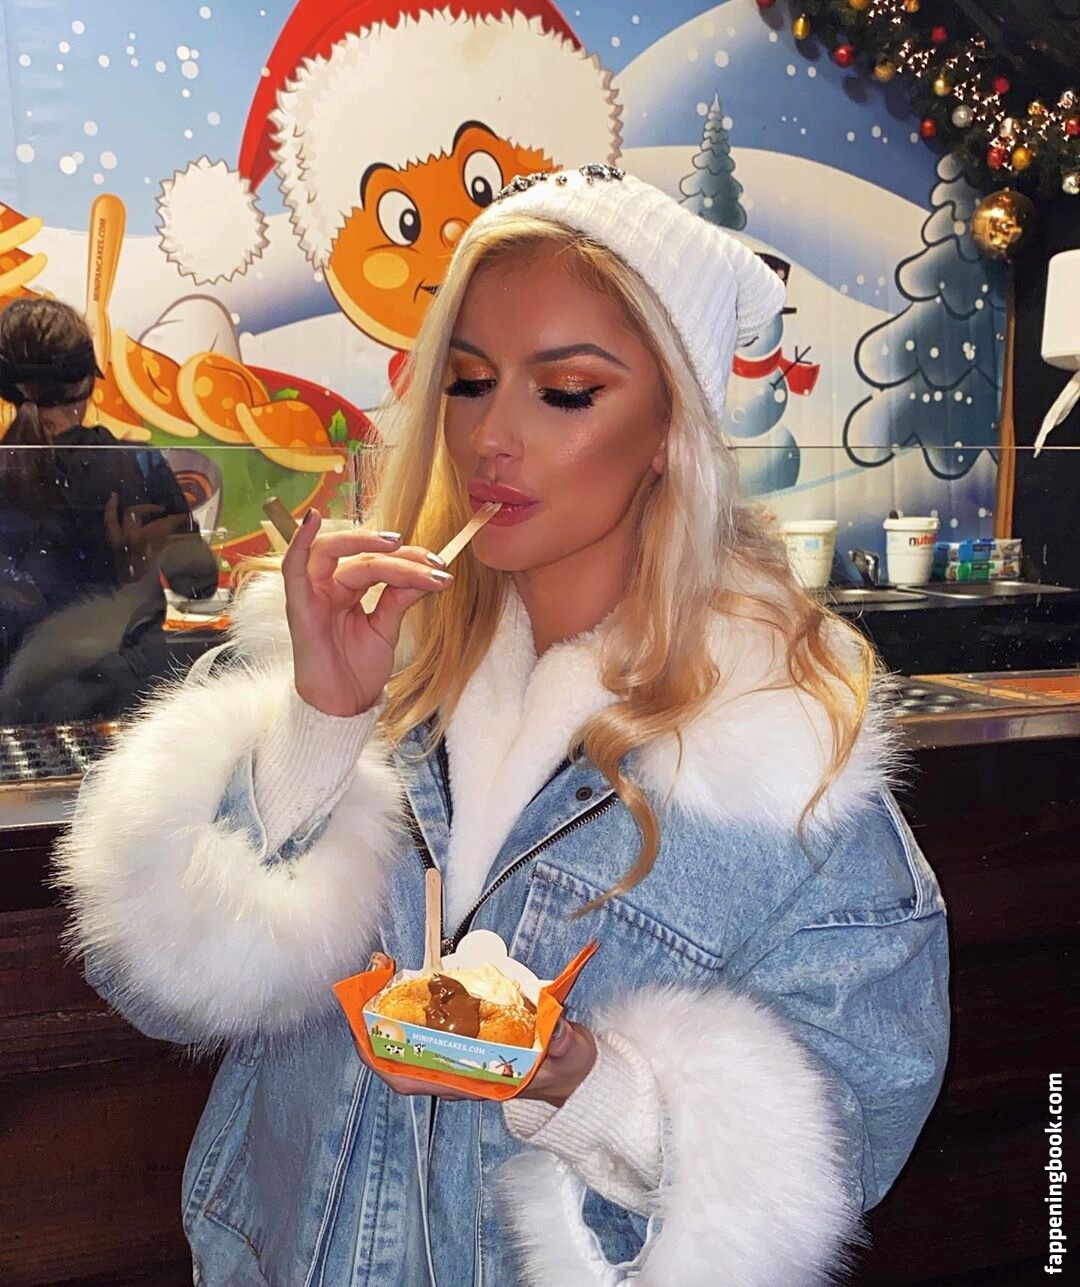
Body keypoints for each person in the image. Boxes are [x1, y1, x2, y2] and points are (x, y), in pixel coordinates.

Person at [55, 166, 950, 1286]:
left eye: (565, 391)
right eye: (469, 382)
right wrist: (321, 723)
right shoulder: (359, 654)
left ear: (672, 425)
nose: (492, 436)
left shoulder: (778, 762)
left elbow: (844, 1143)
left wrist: (590, 1089)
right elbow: (153, 987)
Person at [0, 298, 217, 712]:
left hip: (15, 702)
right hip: (122, 698)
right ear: (87, 381)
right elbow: (198, 583)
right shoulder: (138, 466)